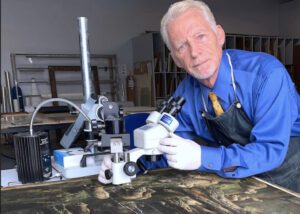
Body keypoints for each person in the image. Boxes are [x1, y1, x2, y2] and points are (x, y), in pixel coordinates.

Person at [98, 0, 300, 193]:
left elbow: (270, 150)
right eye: (182, 47)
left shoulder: (266, 75)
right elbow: (166, 144)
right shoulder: (185, 94)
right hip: (240, 176)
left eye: (200, 36)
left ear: (219, 35)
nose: (195, 52)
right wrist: (131, 160)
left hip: (287, 176)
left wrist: (202, 157)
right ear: (175, 59)